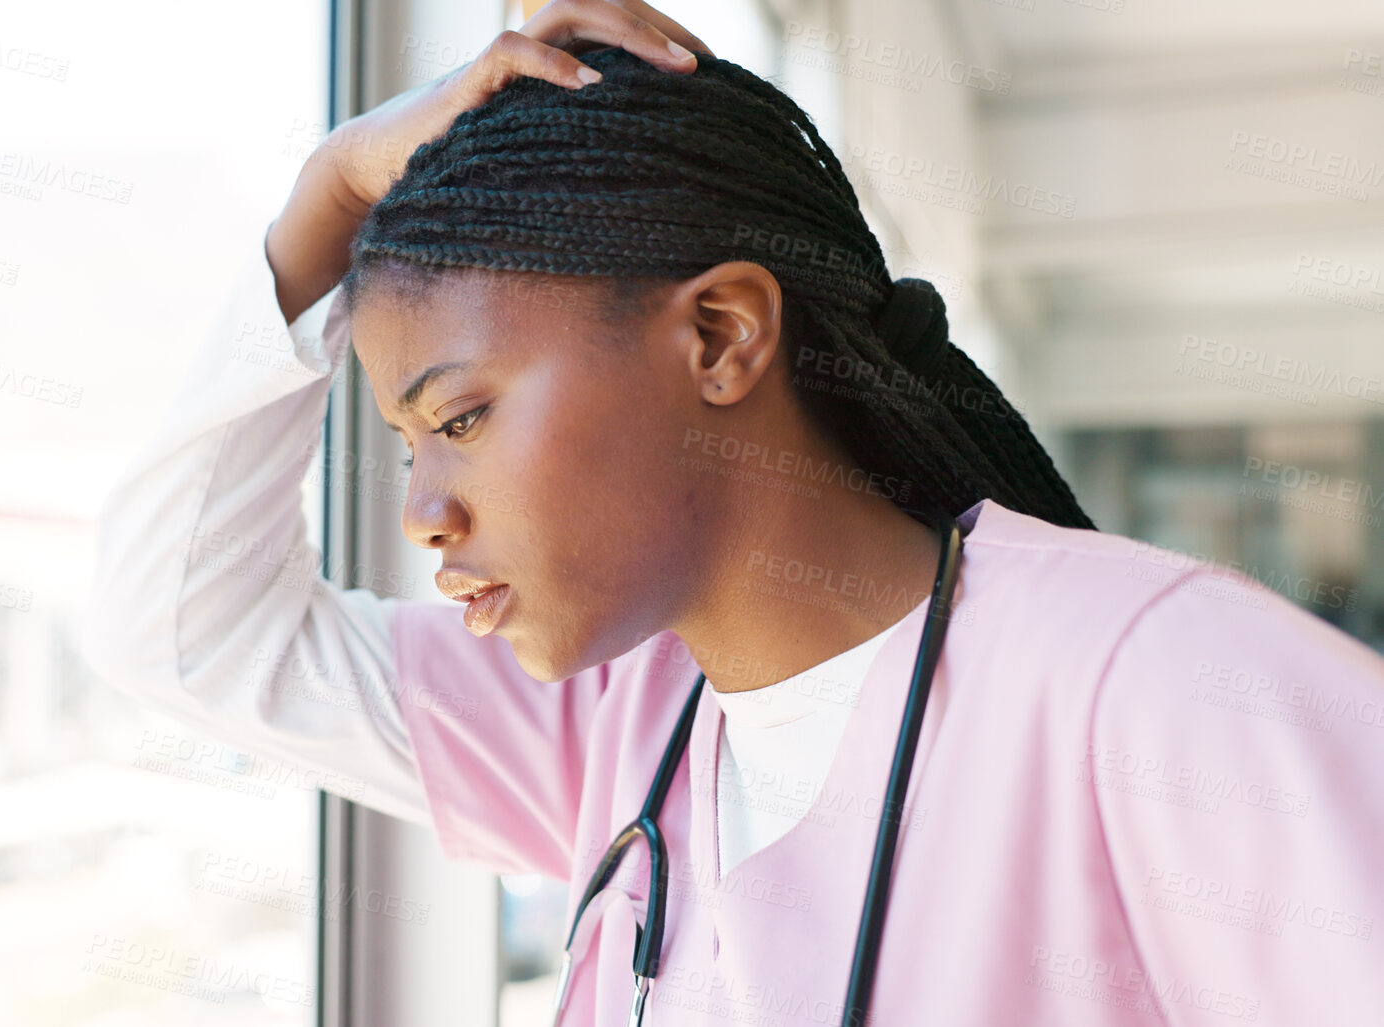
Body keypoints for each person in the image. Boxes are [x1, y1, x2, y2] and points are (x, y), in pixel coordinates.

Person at [84, 2, 1384, 1023]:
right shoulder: (615, 727)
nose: (425, 512)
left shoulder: (1151, 684)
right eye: (406, 445)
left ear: (720, 334)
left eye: (464, 418)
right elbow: (182, 630)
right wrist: (324, 198)